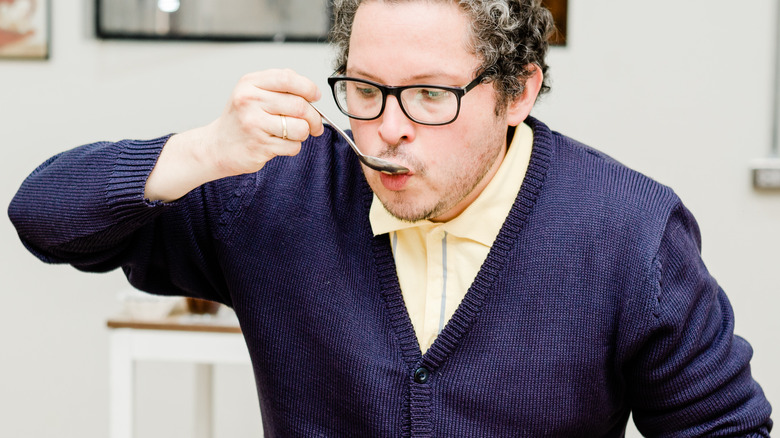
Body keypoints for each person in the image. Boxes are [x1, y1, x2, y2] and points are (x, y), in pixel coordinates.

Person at [7, 0, 773, 436]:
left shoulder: (629, 229)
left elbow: (723, 432)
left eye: (431, 94)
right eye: (365, 89)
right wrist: (206, 149)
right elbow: (43, 215)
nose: (388, 128)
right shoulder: (274, 195)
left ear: (519, 92)